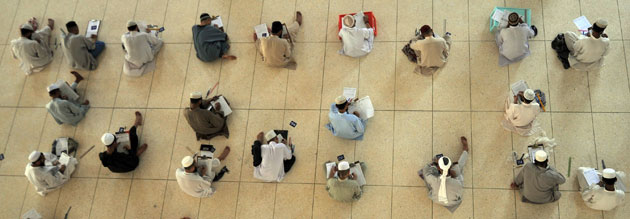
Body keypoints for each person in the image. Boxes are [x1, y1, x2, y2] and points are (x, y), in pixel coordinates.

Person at [418, 136, 469, 212]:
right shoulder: (457, 182)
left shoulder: (433, 180)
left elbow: (426, 170)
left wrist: (434, 163)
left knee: (428, 179)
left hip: (436, 199)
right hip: (452, 202)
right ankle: (466, 149)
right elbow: (461, 164)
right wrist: (465, 149)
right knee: (459, 169)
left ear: (438, 167)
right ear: (450, 165)